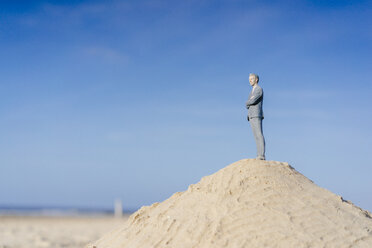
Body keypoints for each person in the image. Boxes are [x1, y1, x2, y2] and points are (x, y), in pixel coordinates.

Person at [246, 73, 265, 160]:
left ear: (256, 79)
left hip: (257, 114)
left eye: (252, 79)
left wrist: (248, 102)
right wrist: (249, 102)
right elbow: (250, 102)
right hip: (251, 115)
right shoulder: (252, 91)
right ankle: (258, 154)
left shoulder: (258, 89)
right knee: (255, 136)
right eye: (249, 79)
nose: (250, 81)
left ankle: (261, 155)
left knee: (259, 134)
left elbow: (252, 100)